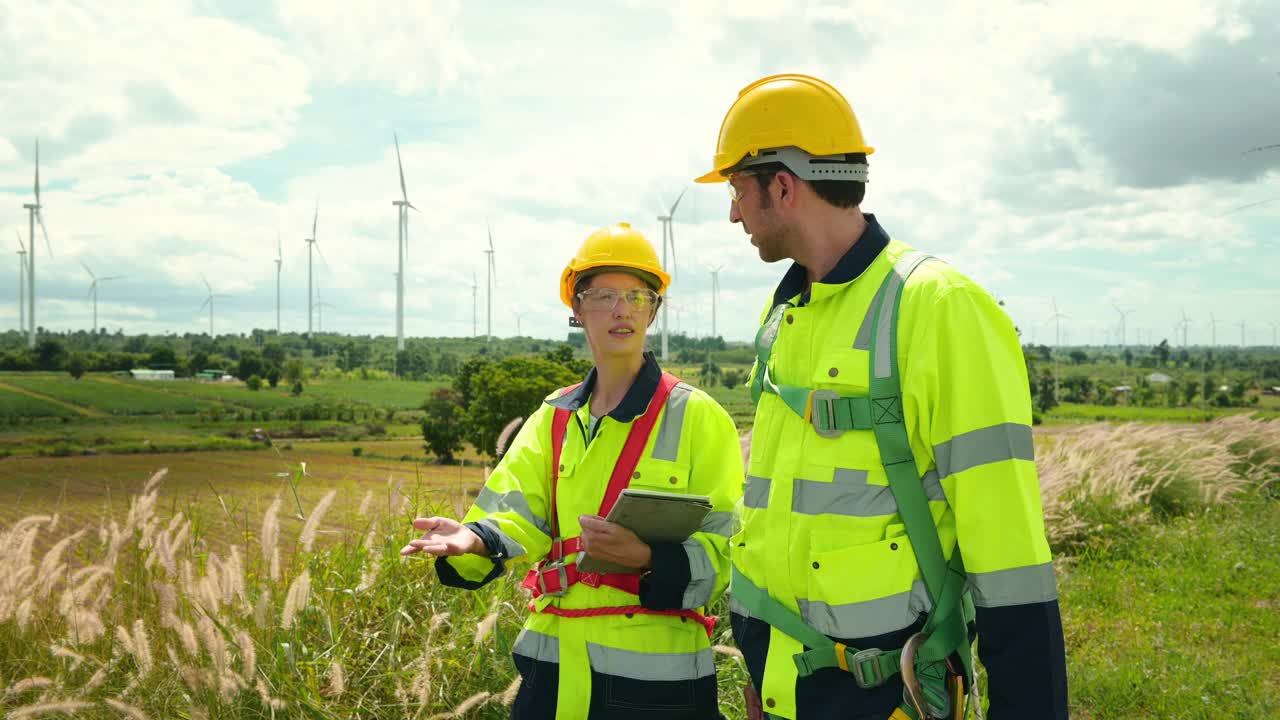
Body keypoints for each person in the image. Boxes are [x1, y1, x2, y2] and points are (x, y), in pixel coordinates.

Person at [693, 74, 1068, 719]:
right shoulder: (789, 310)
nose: (733, 213)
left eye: (736, 190)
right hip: (783, 684)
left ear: (781, 187)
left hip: (880, 693)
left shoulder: (937, 307)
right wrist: (764, 670)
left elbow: (1008, 549)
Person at [400, 222, 744, 720]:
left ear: (654, 310)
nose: (622, 309)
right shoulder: (554, 416)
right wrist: (473, 540)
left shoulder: (698, 417)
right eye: (604, 295)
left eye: (637, 295)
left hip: (656, 679)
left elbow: (728, 546)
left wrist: (648, 556)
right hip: (554, 666)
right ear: (577, 309)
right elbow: (514, 512)